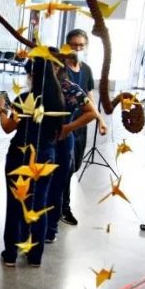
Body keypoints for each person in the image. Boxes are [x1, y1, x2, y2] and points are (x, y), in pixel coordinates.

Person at [0, 56, 65, 267]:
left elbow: (8, 127)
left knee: (15, 204)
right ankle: (35, 255)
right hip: (46, 156)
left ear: (33, 75)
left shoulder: (24, 99)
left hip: (20, 155)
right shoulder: (58, 100)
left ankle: (10, 253)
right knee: (39, 203)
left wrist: (1, 109)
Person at [45, 61, 99, 243]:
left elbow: (91, 112)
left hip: (61, 141)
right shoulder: (38, 85)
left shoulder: (69, 88)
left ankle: (50, 229)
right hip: (41, 142)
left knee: (57, 185)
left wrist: (69, 128)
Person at [60, 28, 106, 226]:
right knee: (64, 167)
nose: (77, 49)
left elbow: (89, 96)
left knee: (74, 166)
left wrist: (99, 119)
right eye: (74, 45)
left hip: (82, 124)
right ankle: (63, 206)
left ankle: (61, 204)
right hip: (64, 124)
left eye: (81, 45)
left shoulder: (86, 69)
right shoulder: (59, 68)